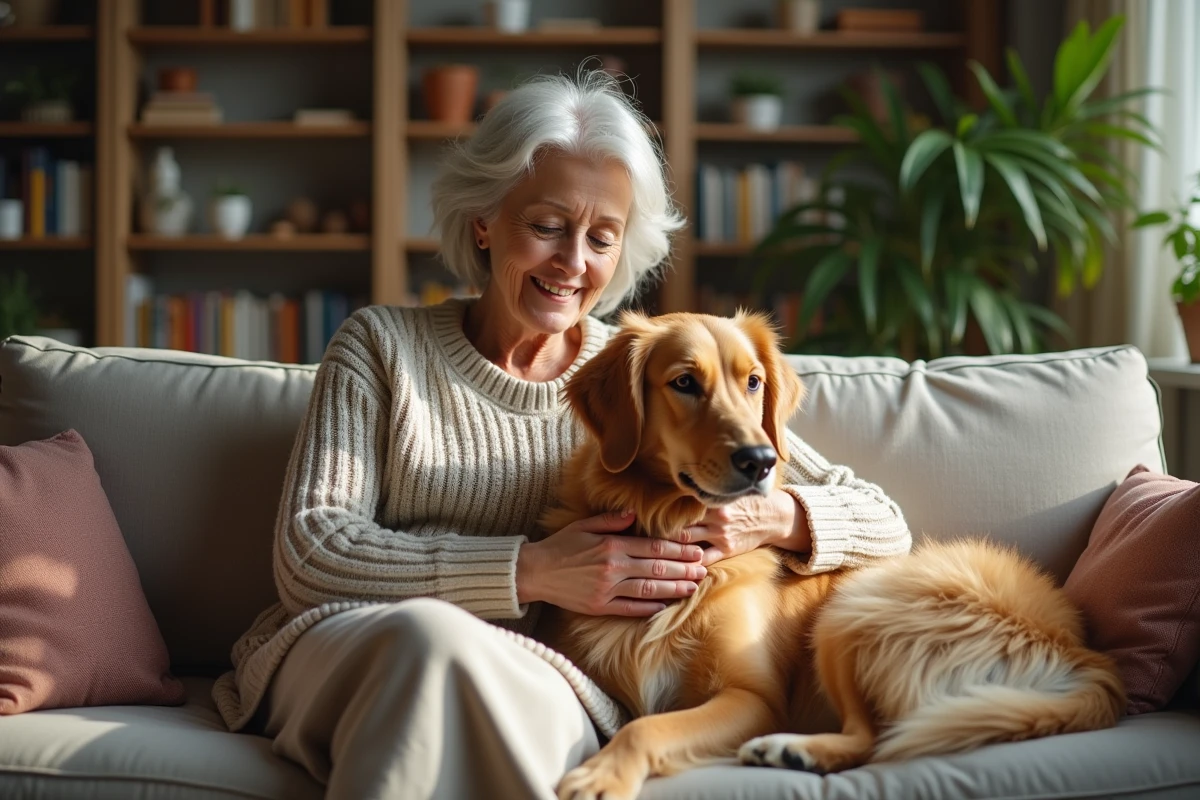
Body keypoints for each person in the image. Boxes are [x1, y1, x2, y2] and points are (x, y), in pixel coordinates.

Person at [212, 70, 912, 800]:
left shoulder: (639, 370)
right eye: (546, 226)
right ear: (484, 221)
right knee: (430, 642)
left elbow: (883, 520)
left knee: (512, 703)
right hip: (354, 643)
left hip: (526, 672)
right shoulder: (381, 346)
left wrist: (768, 516)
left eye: (602, 237)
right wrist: (530, 571)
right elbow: (312, 553)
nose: (574, 262)